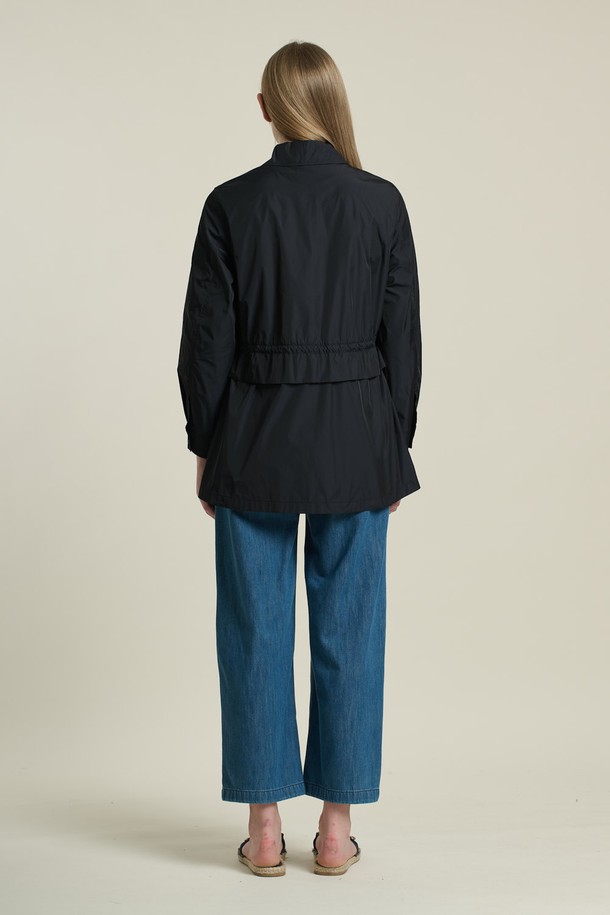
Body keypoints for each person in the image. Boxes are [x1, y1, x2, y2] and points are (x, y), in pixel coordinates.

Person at [177, 40, 422, 877]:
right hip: (357, 443)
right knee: (350, 631)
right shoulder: (381, 202)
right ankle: (336, 829)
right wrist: (395, 442)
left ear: (266, 107)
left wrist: (205, 443)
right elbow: (403, 339)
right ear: (333, 101)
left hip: (253, 439)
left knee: (253, 629)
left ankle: (264, 828)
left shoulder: (231, 204)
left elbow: (206, 342)